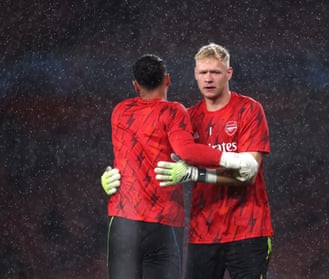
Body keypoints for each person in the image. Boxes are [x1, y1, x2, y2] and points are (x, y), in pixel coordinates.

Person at [100, 53, 258, 279]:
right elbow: (186, 151)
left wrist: (105, 175)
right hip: (163, 221)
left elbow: (127, 153)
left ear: (135, 86)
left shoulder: (120, 112)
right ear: (168, 79)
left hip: (124, 220)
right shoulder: (173, 111)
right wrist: (234, 160)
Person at [155, 43, 274, 279]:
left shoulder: (249, 110)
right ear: (195, 75)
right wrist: (116, 177)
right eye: (203, 73)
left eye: (215, 72)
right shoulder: (188, 118)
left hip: (249, 230)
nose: (208, 79)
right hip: (204, 233)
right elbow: (154, 158)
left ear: (228, 73)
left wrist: (195, 174)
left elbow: (247, 175)